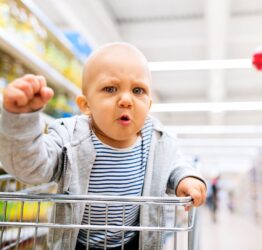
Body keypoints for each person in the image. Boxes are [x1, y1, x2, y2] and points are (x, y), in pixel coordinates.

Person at [0, 42, 207, 250]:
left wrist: (186, 178)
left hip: (135, 242)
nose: (126, 100)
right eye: (110, 89)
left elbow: (174, 165)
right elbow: (31, 167)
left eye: (138, 90)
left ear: (149, 106)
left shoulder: (157, 142)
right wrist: (21, 121)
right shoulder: (69, 138)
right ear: (85, 105)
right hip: (78, 244)